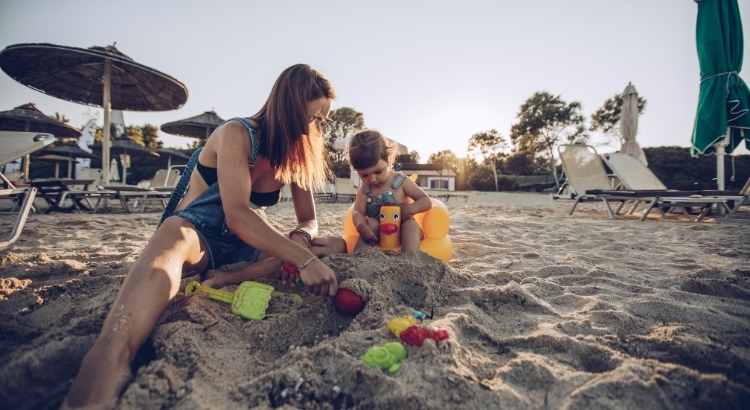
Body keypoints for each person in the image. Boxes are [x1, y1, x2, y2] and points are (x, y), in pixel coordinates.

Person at [64, 64, 339, 408]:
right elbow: (237, 213)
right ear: (289, 107)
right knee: (170, 241)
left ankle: (232, 276)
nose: (318, 128)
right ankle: (108, 366)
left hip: (247, 245)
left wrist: (301, 238)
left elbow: (309, 219)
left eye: (323, 120)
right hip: (199, 233)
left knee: (334, 244)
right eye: (315, 118)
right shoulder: (238, 133)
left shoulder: (296, 153)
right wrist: (303, 258)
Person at [348, 130, 432, 255]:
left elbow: (426, 201)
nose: (372, 179)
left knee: (410, 226)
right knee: (371, 224)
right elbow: (357, 212)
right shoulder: (365, 190)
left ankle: (410, 258)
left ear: (389, 161)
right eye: (364, 175)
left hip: (402, 231)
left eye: (378, 172)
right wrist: (362, 226)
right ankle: (358, 258)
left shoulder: (401, 181)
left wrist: (409, 210)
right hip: (377, 235)